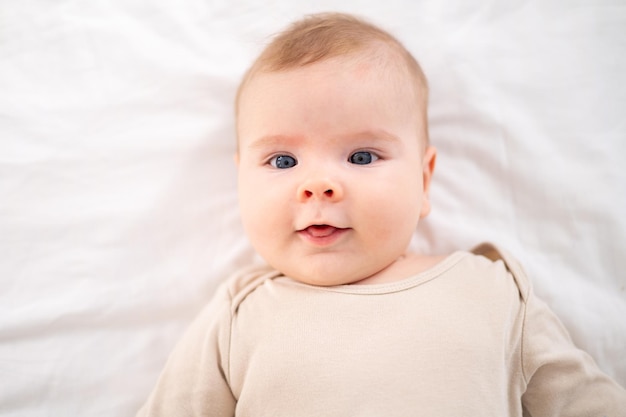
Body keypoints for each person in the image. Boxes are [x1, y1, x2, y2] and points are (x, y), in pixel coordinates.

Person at [137, 12, 626, 416]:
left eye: (362, 157)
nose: (318, 184)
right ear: (241, 180)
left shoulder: (491, 289)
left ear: (424, 180)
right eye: (282, 161)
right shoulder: (238, 314)